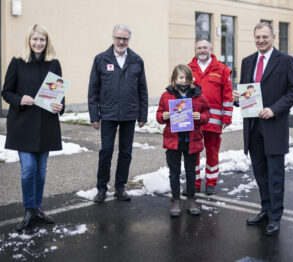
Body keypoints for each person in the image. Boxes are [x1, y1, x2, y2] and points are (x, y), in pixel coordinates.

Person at [233, 22, 293, 235]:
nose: (261, 40)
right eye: (257, 37)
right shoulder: (247, 62)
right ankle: (265, 209)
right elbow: (248, 94)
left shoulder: (286, 61)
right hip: (252, 126)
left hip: (274, 125)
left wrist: (274, 109)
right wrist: (238, 99)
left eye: (265, 36)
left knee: (275, 174)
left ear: (273, 37)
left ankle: (275, 216)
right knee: (260, 173)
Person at [1, 24, 64, 231]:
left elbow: (59, 95)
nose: (38, 43)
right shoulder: (17, 63)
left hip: (46, 124)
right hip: (23, 124)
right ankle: (29, 209)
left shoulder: (54, 64)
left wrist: (60, 106)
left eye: (42, 40)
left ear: (47, 42)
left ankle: (37, 209)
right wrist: (20, 99)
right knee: (28, 169)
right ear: (29, 40)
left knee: (41, 171)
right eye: (35, 39)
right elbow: (6, 92)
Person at [88, 24, 148, 204]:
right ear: (113, 38)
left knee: (126, 152)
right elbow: (93, 90)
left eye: (125, 39)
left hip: (130, 113)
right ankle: (101, 188)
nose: (121, 41)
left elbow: (142, 89)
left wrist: (142, 115)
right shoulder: (101, 59)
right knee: (106, 151)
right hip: (108, 114)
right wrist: (94, 116)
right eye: (118, 38)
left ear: (129, 40)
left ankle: (120, 187)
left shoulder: (137, 60)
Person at [156, 64, 209, 216]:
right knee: (174, 172)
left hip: (192, 140)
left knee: (191, 171)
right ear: (173, 79)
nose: (184, 81)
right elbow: (159, 114)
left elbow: (207, 112)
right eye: (180, 77)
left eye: (187, 77)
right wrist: (163, 116)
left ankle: (191, 199)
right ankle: (176, 200)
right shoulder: (166, 96)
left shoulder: (198, 94)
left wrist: (201, 117)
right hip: (174, 141)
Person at [188, 38, 233, 195]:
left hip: (213, 121)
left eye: (205, 47)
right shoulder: (188, 69)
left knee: (212, 151)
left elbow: (227, 96)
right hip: (192, 120)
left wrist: (226, 118)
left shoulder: (222, 69)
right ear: (195, 50)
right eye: (199, 48)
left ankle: (211, 182)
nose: (202, 50)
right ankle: (194, 182)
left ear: (211, 49)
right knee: (193, 152)